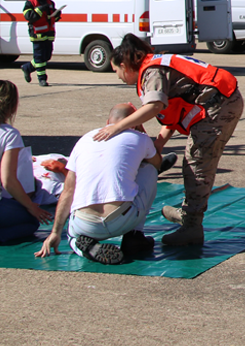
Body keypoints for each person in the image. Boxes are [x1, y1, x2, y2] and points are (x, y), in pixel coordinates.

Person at [103, 33, 244, 246]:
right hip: (221, 99)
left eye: (116, 71)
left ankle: (192, 226)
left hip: (219, 105)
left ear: (125, 65)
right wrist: (158, 144)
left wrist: (118, 126)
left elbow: (154, 106)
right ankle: (189, 213)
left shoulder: (151, 72)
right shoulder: (155, 65)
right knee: (195, 161)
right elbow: (173, 113)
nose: (118, 77)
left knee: (196, 163)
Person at [34, 103, 162, 264]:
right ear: (135, 122)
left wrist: (55, 232)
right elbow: (157, 164)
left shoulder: (84, 140)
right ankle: (135, 235)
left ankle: (83, 247)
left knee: (74, 236)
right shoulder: (139, 138)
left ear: (108, 120)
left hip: (85, 223)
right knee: (149, 169)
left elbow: (68, 190)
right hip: (122, 219)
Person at [0, 80, 53, 245]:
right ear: (13, 105)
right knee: (31, 222)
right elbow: (8, 181)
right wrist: (31, 206)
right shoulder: (8, 134)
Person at [21, 0, 62, 87]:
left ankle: (27, 67)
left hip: (48, 35)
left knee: (46, 57)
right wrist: (40, 9)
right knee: (39, 59)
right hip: (37, 35)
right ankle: (42, 79)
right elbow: (29, 17)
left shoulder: (50, 2)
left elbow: (52, 19)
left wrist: (57, 14)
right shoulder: (30, 3)